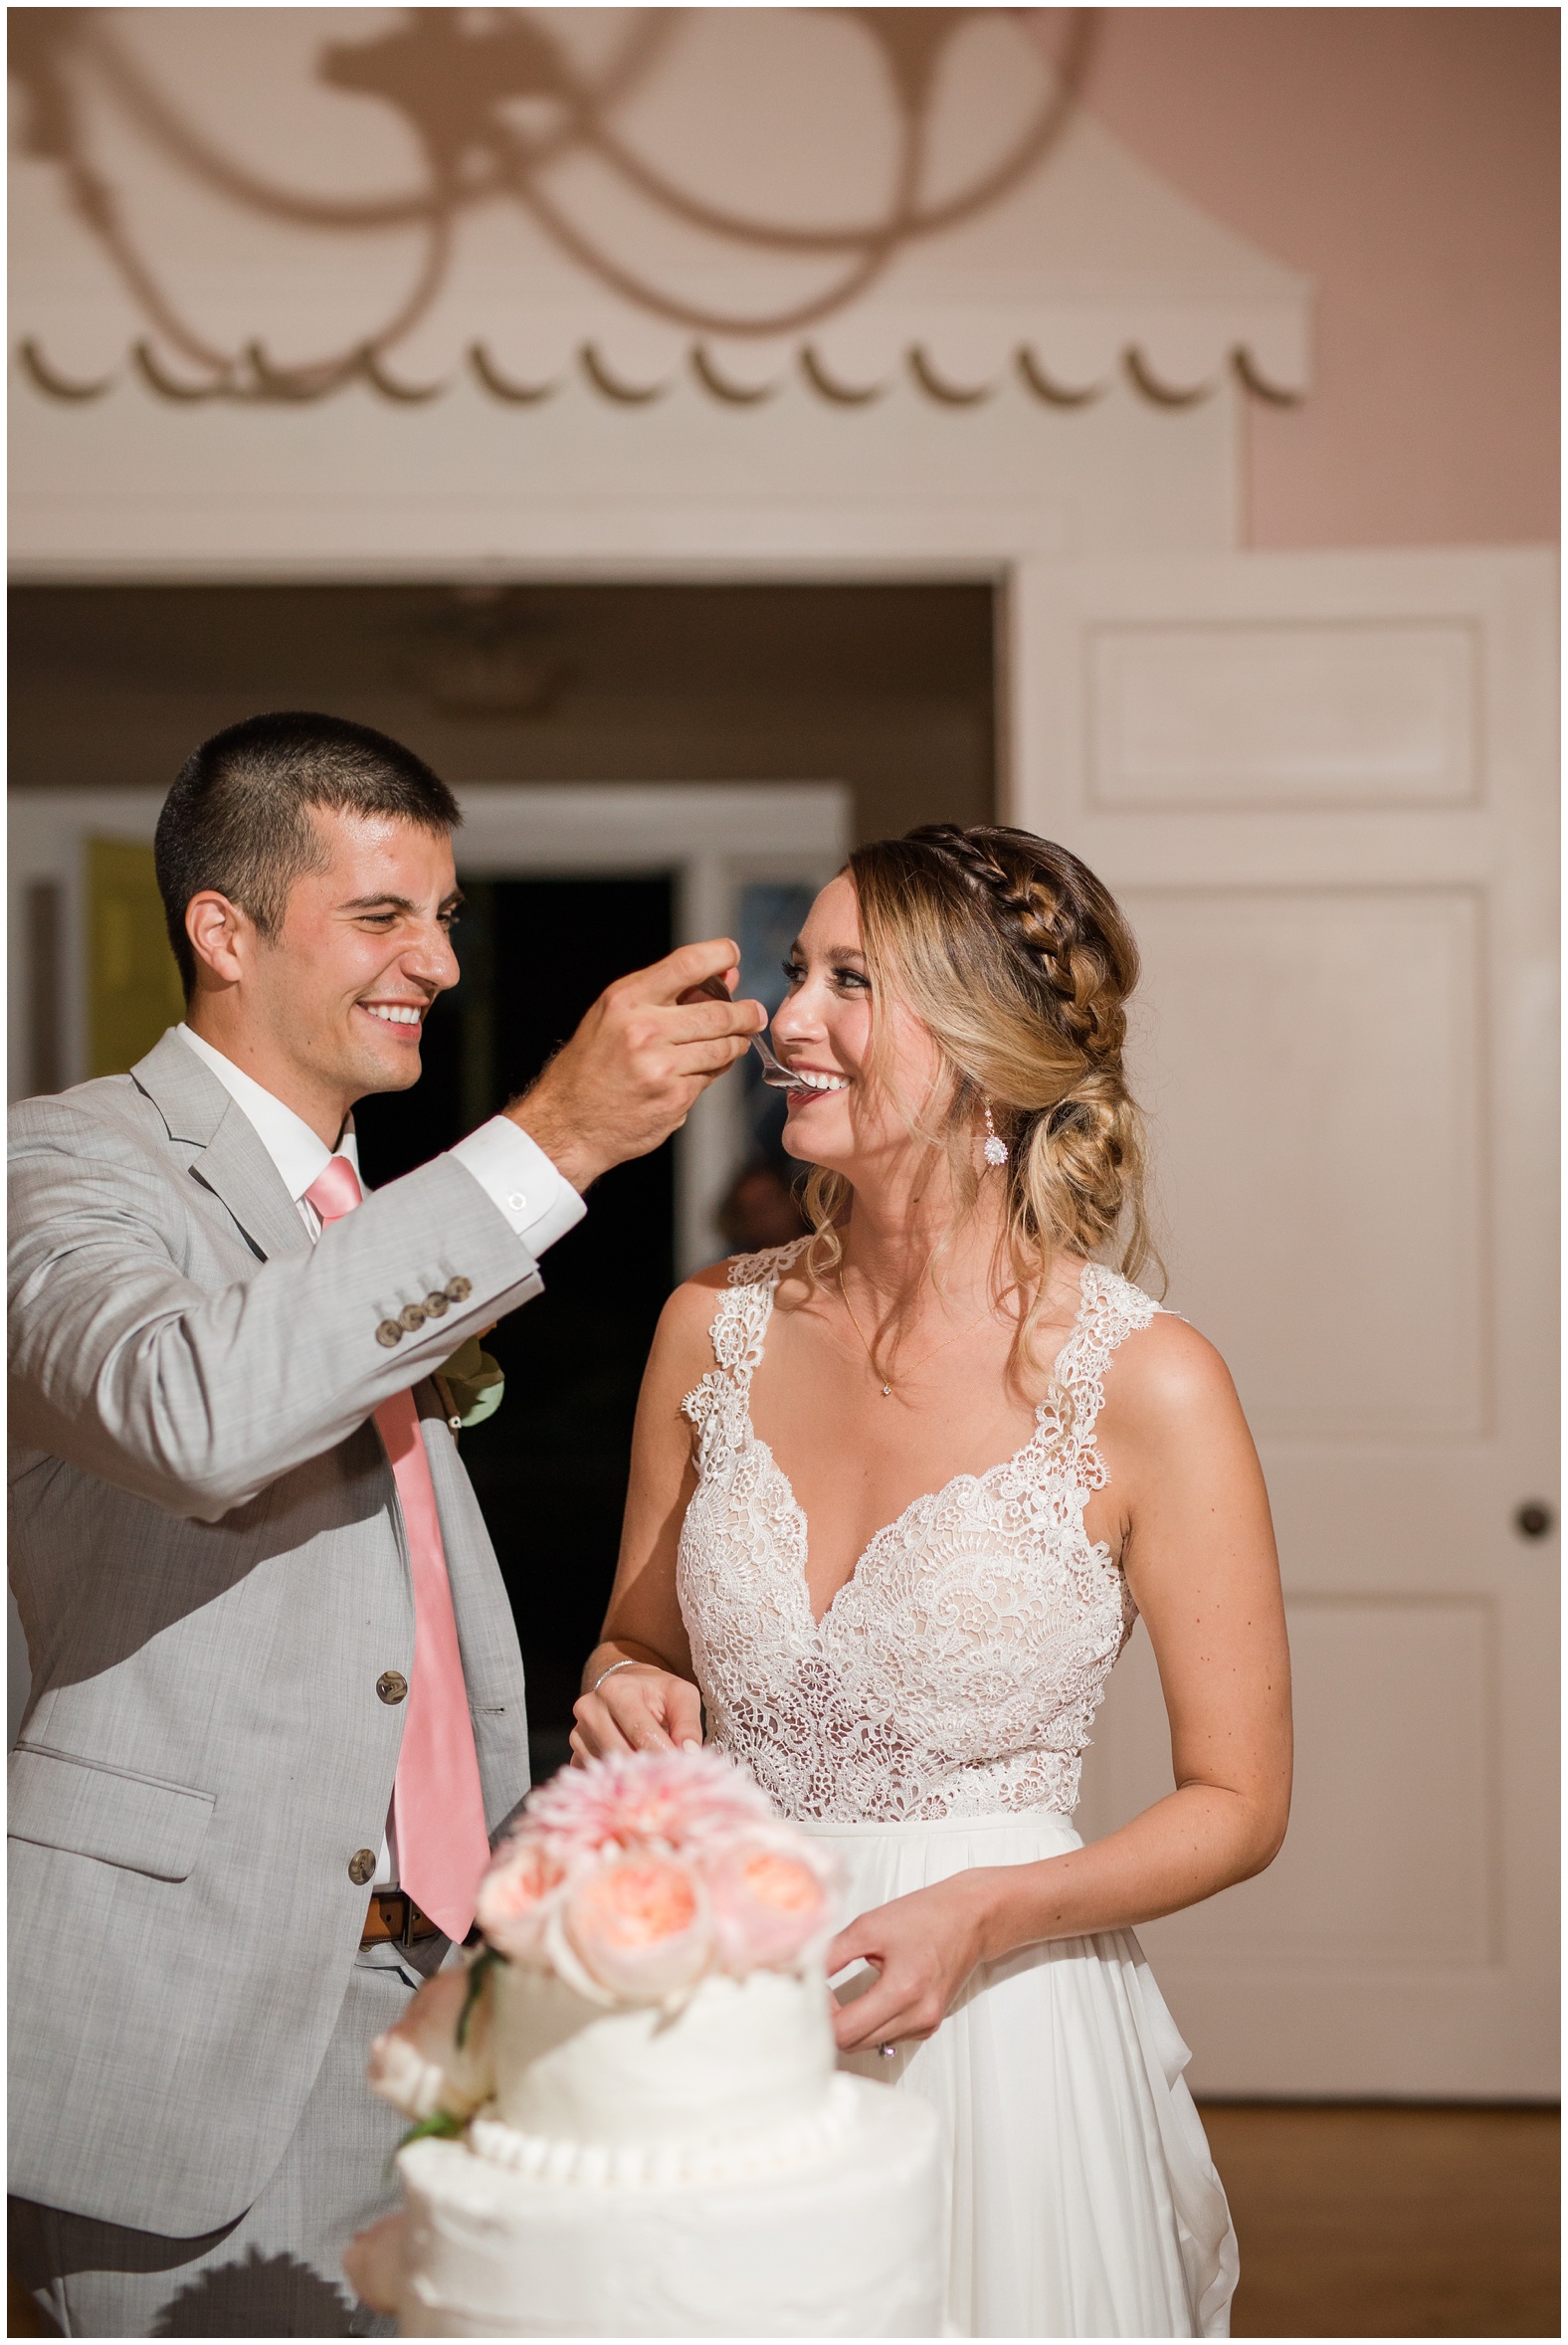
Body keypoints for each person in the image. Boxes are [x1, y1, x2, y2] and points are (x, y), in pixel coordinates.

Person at [7, 710, 764, 2339]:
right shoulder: (61, 1165)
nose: (434, 959)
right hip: (196, 2013)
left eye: (445, 918)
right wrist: (557, 1134)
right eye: (380, 915)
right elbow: (192, 1410)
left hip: (433, 1988)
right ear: (223, 930)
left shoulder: (361, 1207)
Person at [572, 823, 1292, 2338]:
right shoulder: (709, 1329)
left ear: (987, 1048)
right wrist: (625, 1695)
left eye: (854, 982)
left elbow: (1240, 1800)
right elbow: (635, 1646)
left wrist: (987, 1911)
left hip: (998, 2023)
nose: (788, 1019)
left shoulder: (1149, 1384)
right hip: (720, 1993)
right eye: (796, 972)